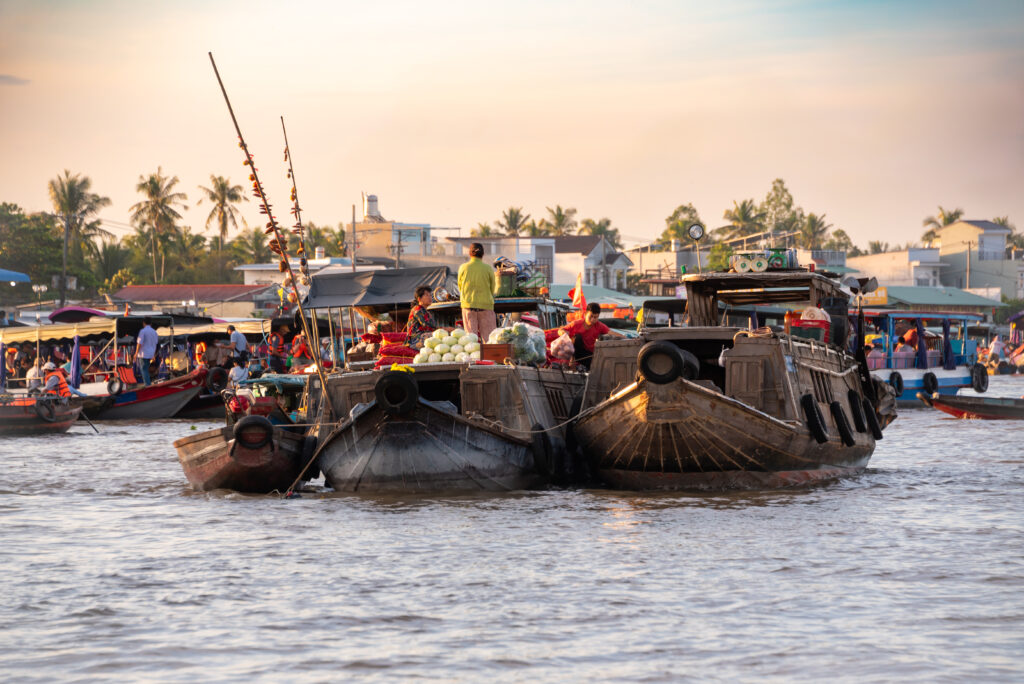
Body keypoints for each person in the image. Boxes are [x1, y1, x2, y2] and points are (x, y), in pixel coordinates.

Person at [458, 242, 497, 342]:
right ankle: (489, 357)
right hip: (486, 307)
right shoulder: (488, 268)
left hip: (468, 306)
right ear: (483, 254)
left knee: (471, 340)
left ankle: (473, 357)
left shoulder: (463, 267)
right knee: (489, 339)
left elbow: (460, 286)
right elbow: (493, 288)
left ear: (470, 253)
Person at [558, 303, 610, 369]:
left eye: (595, 317)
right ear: (585, 314)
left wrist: (625, 338)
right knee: (578, 338)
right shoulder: (576, 324)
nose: (593, 319)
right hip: (576, 352)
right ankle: (572, 360)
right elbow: (560, 330)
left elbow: (611, 332)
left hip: (589, 354)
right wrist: (564, 333)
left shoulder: (599, 325)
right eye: (591, 316)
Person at [134, 317, 159, 386]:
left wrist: (136, 353)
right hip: (151, 353)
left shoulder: (143, 331)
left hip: (143, 354)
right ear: (151, 323)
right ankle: (148, 383)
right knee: (146, 369)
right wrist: (153, 355)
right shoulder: (154, 332)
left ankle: (147, 384)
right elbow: (155, 344)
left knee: (143, 369)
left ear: (144, 323)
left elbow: (139, 343)